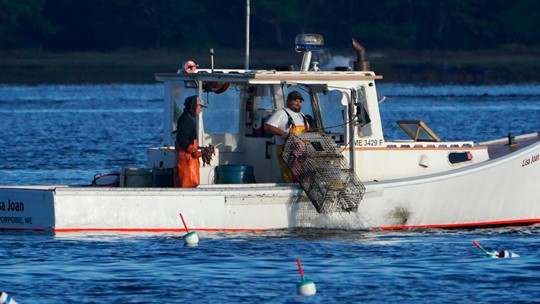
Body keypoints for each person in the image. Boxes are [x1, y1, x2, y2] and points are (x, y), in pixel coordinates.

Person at [264, 91, 310, 182]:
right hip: (287, 152)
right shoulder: (281, 113)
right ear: (288, 101)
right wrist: (284, 134)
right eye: (295, 101)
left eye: (300, 101)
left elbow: (306, 130)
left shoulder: (302, 115)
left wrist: (315, 130)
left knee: (302, 177)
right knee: (289, 176)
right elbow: (268, 126)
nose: (298, 103)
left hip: (302, 153)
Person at [174, 95, 205, 188]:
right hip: (186, 159)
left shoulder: (188, 117)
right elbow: (182, 138)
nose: (201, 110)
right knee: (187, 184)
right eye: (200, 107)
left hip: (187, 157)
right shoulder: (187, 119)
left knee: (191, 183)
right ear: (194, 106)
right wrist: (193, 151)